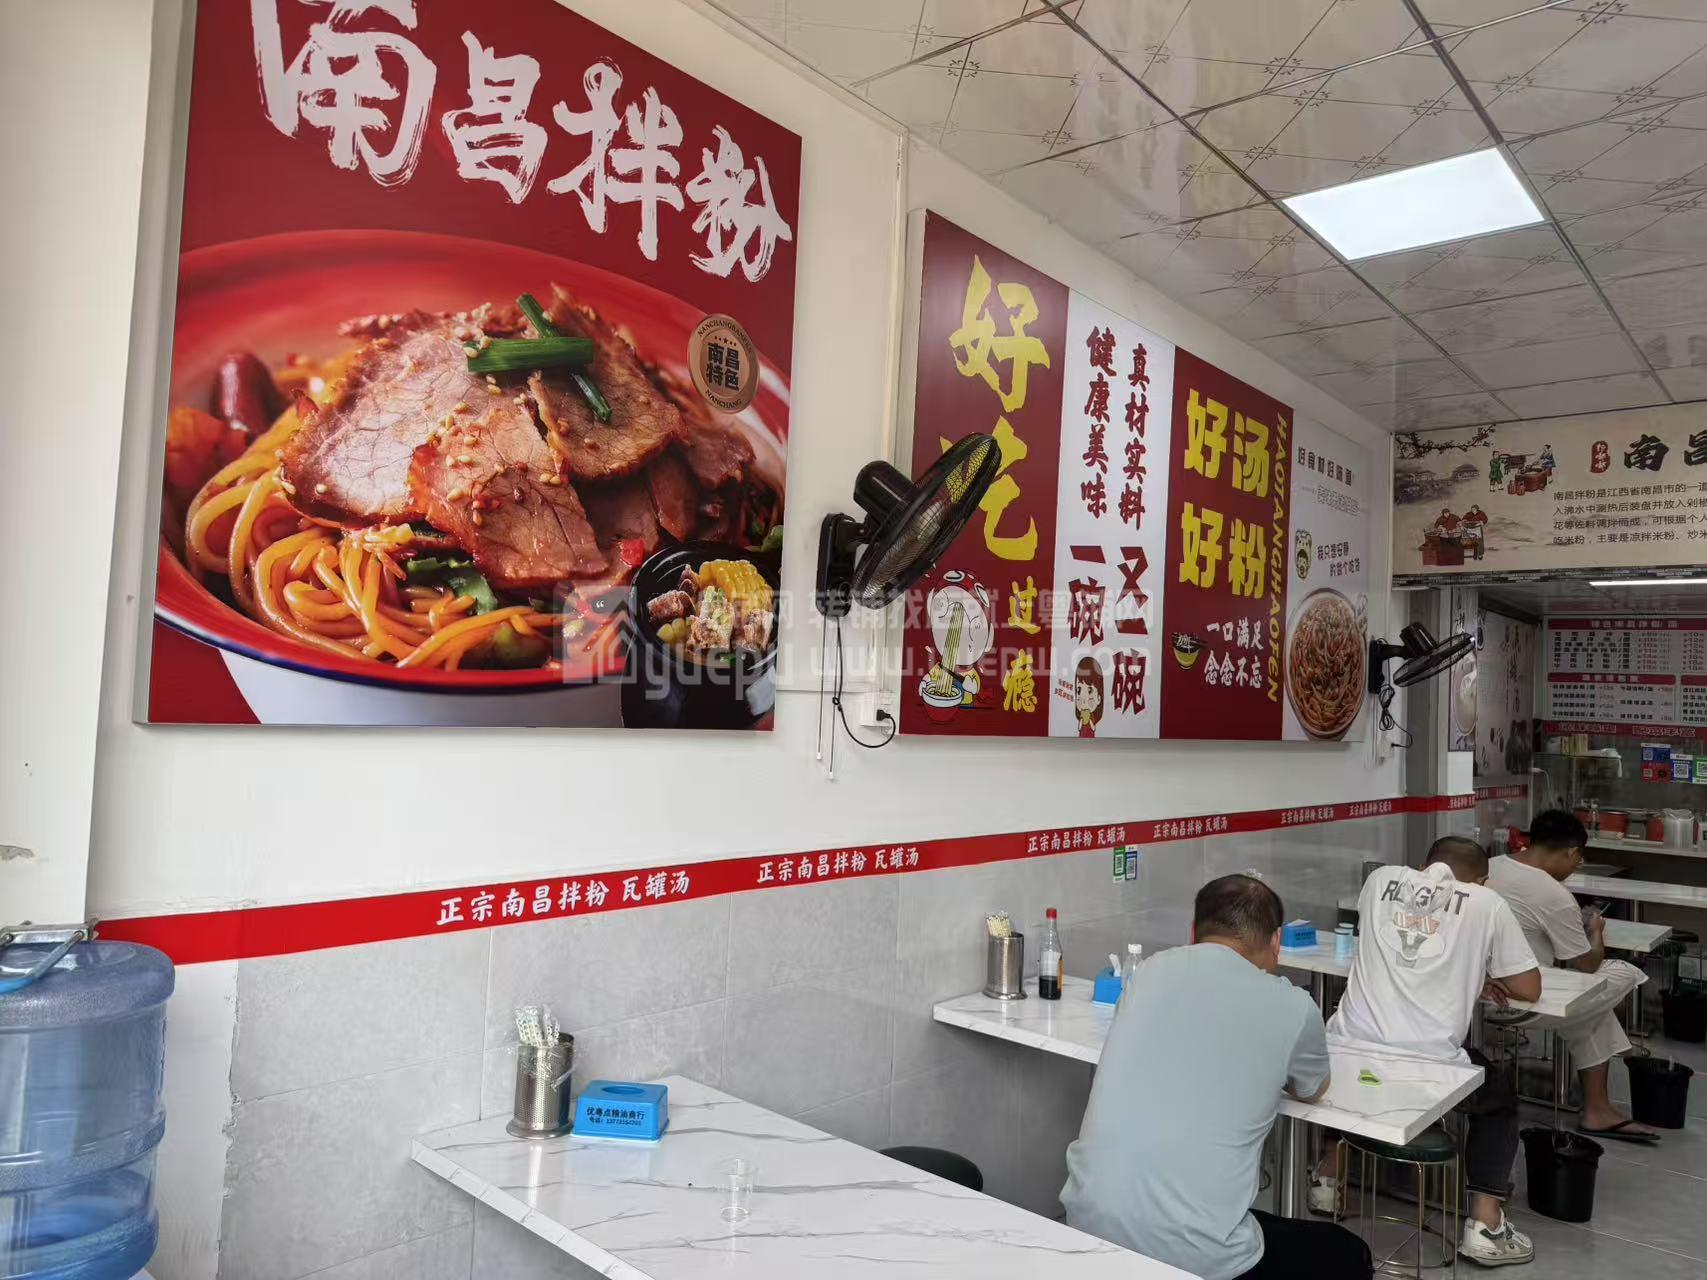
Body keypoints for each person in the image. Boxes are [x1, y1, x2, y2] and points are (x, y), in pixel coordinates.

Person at [1062, 875, 1371, 1280]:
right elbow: (1312, 1089)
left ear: (1193, 932)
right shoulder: (1294, 1007)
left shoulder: (1149, 973)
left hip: (1086, 1225)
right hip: (1198, 1258)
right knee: (1350, 1253)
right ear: (1276, 941)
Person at [1317, 838, 1541, 1268]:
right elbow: (1529, 987)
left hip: (1347, 1051)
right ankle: (1485, 1224)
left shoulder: (1380, 881)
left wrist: (1466, 970)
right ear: (1481, 880)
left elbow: (1404, 943)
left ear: (1424, 865)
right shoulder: (1487, 902)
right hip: (1428, 1067)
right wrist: (1476, 971)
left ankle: (1328, 1179)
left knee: (1352, 1073)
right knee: (1498, 1098)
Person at [1488, 810, 1659, 1143]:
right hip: (1524, 1000)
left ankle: (1598, 1111)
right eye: (1578, 860)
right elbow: (1588, 964)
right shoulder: (1553, 895)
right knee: (1622, 972)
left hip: (1479, 994)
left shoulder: (1490, 867)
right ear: (1570, 852)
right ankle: (1598, 1109)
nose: (1575, 866)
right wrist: (1595, 930)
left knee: (1592, 1007)